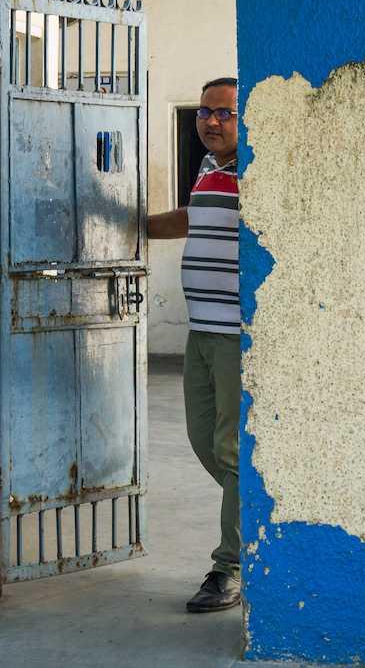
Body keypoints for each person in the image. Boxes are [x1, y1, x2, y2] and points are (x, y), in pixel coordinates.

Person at [147, 77, 241, 613]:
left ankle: (228, 567)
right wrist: (129, 228)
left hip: (235, 335)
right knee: (205, 441)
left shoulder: (258, 168)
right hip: (200, 331)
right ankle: (250, 523)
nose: (210, 121)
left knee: (230, 450)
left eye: (224, 113)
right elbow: (192, 220)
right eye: (204, 111)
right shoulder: (208, 169)